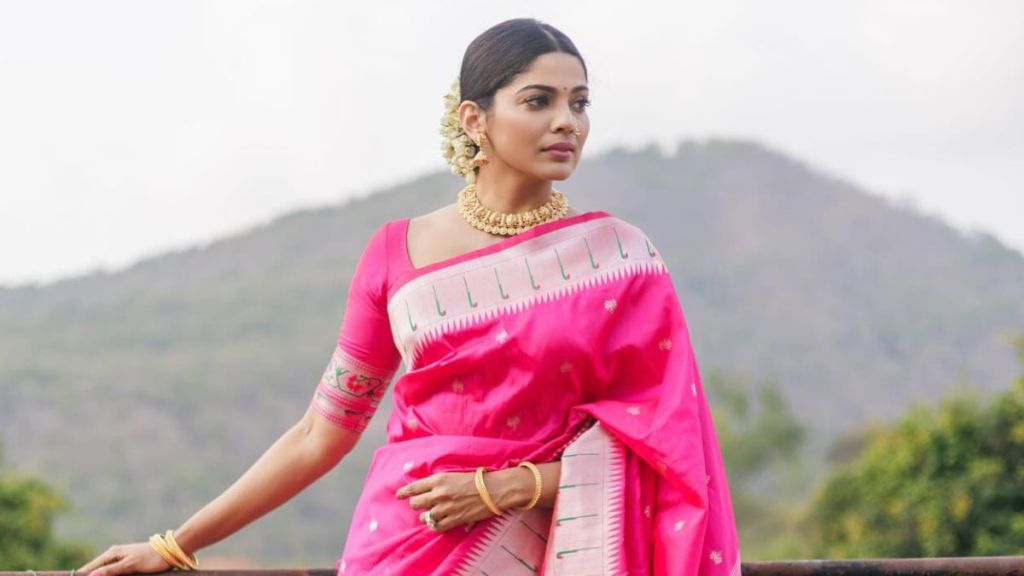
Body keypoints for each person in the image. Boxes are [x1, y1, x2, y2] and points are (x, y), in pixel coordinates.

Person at [78, 17, 741, 576]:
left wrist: (512, 486)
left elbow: (668, 447)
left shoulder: (617, 260)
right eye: (539, 101)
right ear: (474, 118)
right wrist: (176, 544)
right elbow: (318, 434)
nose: (566, 122)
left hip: (550, 547)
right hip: (405, 546)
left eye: (580, 103)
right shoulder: (396, 254)